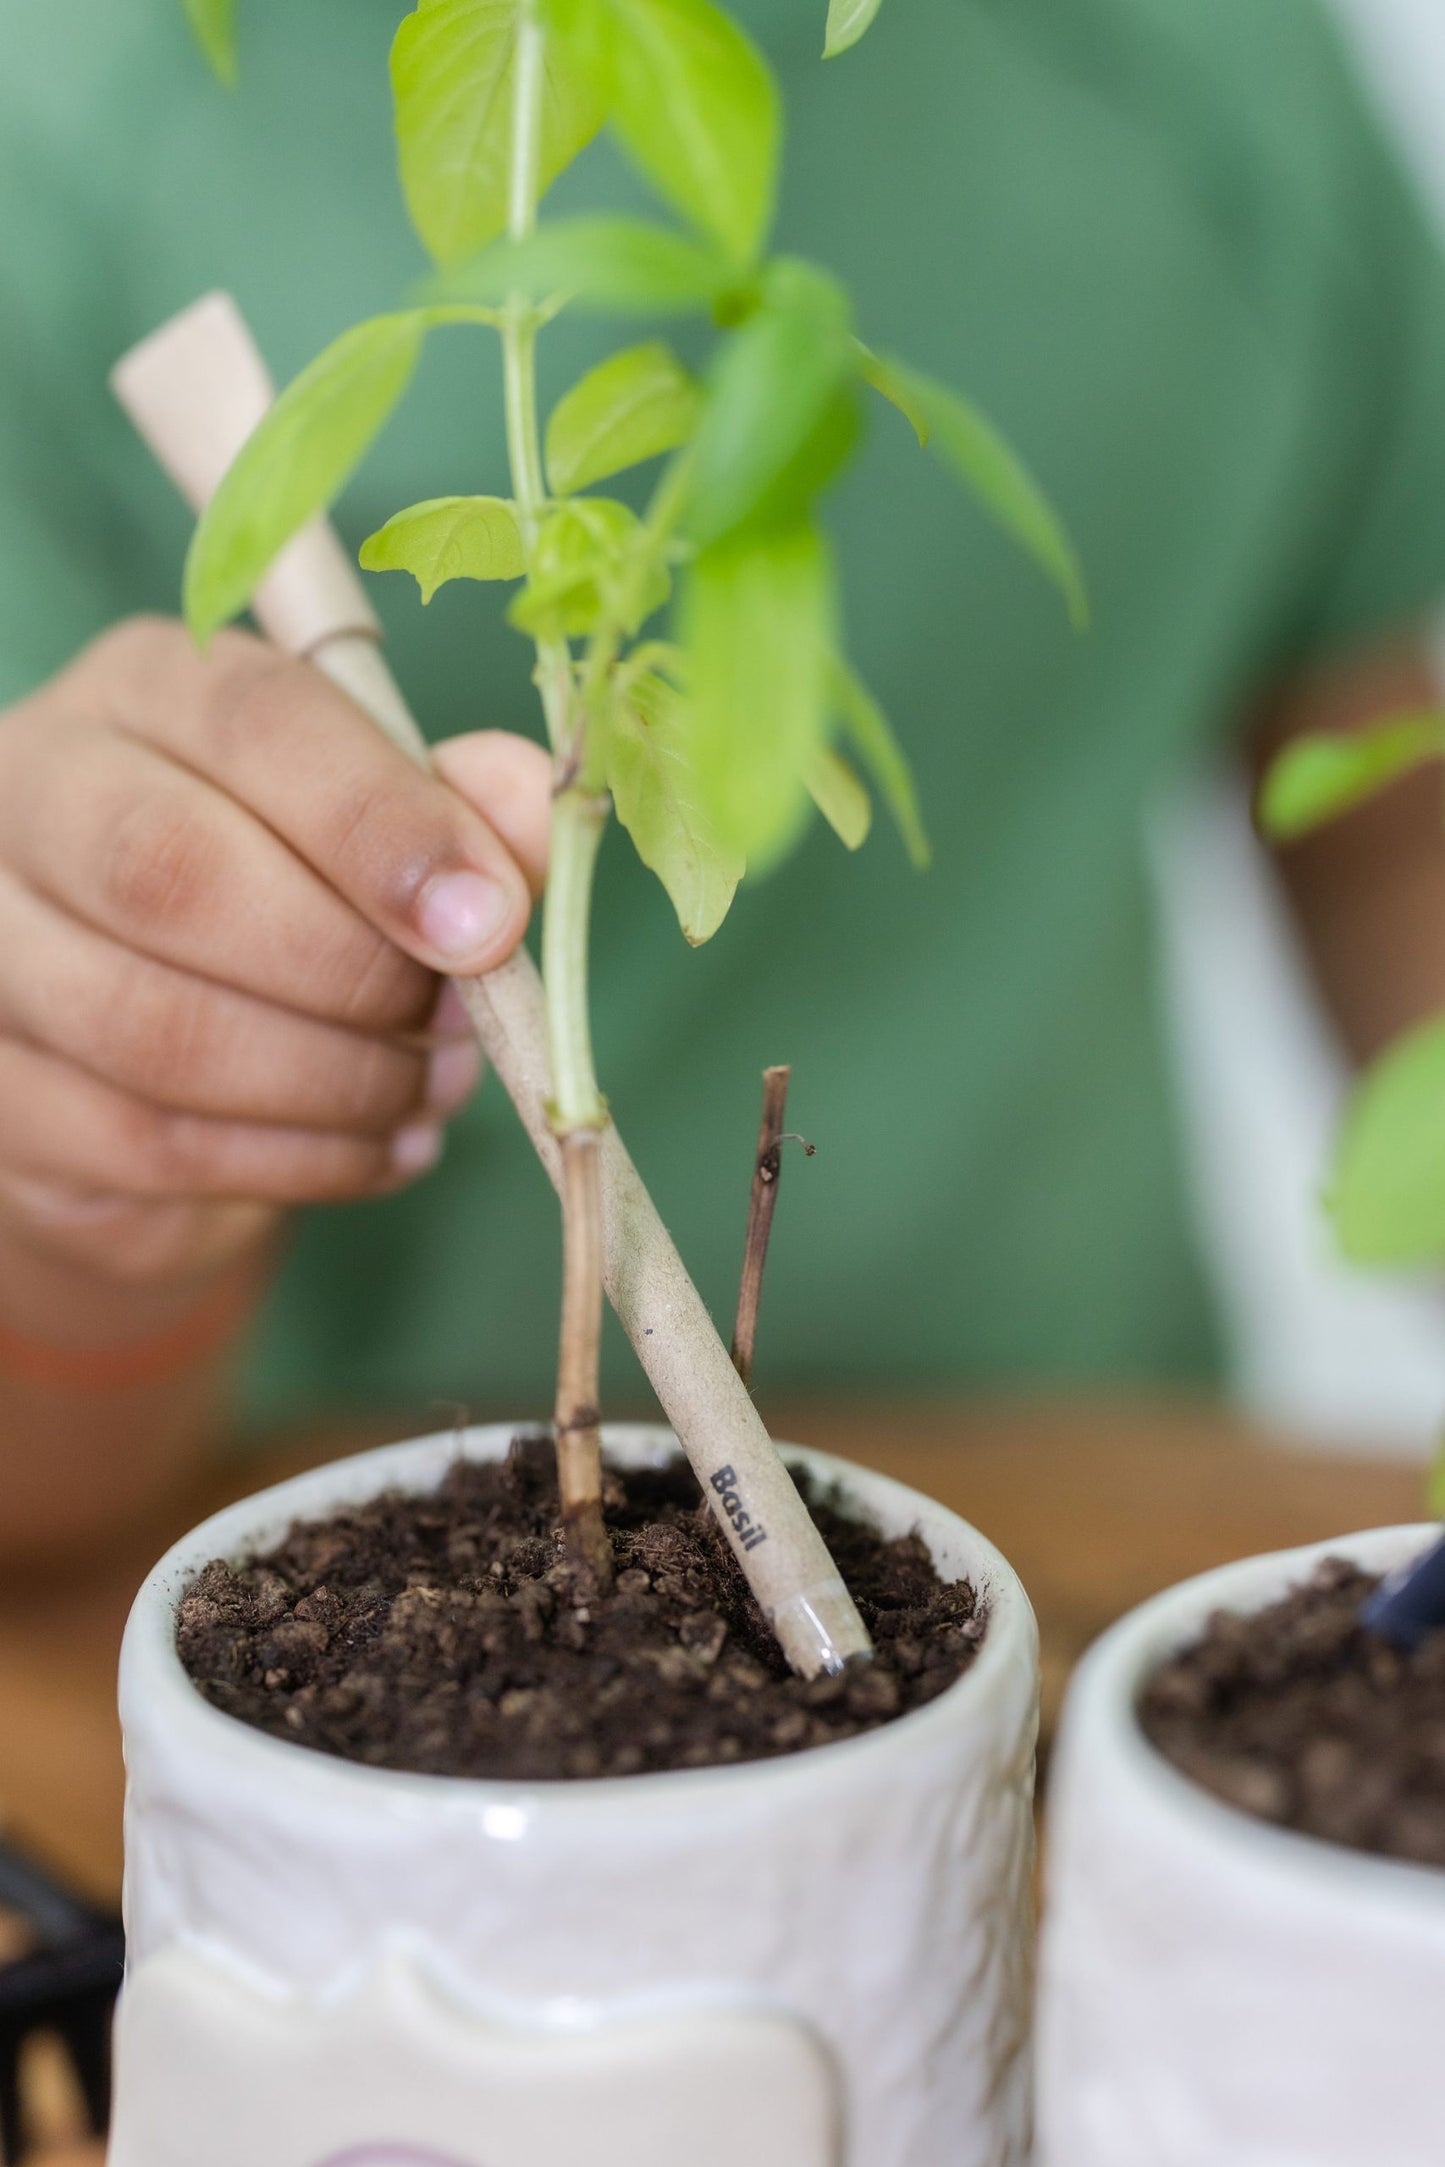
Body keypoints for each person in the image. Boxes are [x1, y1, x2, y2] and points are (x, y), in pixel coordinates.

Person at [4, 0, 1445, 1557]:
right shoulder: (75, 114)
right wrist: (96, 1194)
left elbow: (1371, 789)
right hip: (315, 1527)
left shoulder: (1212, 61)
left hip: (1118, 1509)